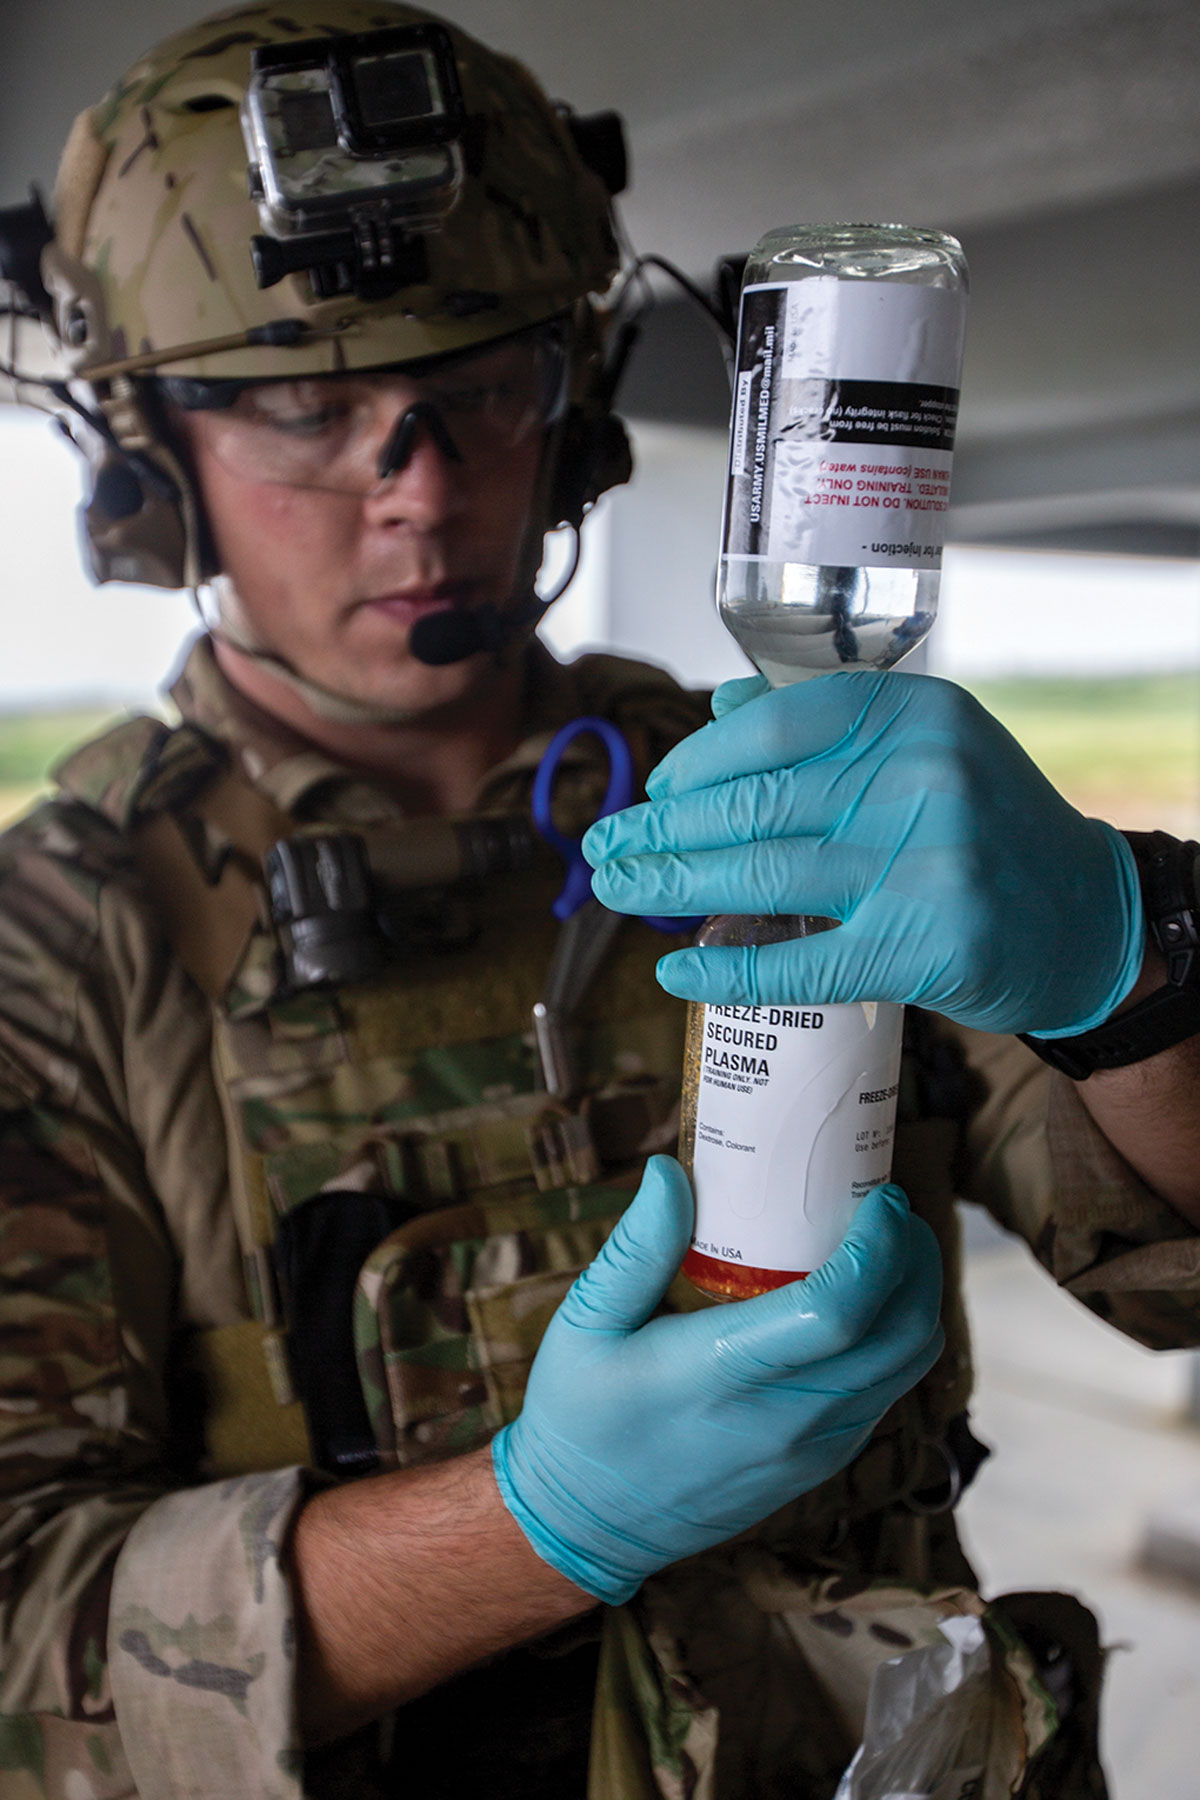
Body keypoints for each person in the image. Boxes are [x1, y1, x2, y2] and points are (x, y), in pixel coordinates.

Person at [0, 5, 1197, 1798]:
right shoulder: (62, 942)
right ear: (147, 457)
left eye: (477, 388)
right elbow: (23, 1635)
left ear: (569, 406)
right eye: (302, 411)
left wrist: (1135, 955)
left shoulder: (782, 778)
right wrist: (533, 1522)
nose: (415, 492)